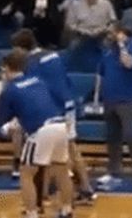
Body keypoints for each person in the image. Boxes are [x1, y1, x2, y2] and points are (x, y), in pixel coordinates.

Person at [0, 48, 73, 218]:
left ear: (6, 68)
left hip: (41, 130)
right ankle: (67, 210)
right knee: (61, 170)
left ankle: (31, 213)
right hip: (60, 125)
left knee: (26, 172)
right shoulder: (38, 80)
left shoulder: (10, 90)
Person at [11, 29, 97, 204]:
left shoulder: (31, 63)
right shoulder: (54, 55)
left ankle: (43, 194)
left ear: (21, 48)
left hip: (53, 109)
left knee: (50, 152)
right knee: (71, 148)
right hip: (68, 104)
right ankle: (86, 189)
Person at [96, 23, 132, 189]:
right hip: (109, 99)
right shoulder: (107, 50)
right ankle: (113, 171)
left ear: (120, 33)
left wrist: (121, 45)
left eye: (112, 33)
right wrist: (96, 96)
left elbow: (129, 63)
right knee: (112, 137)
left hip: (127, 99)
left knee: (130, 134)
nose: (109, 35)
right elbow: (101, 72)